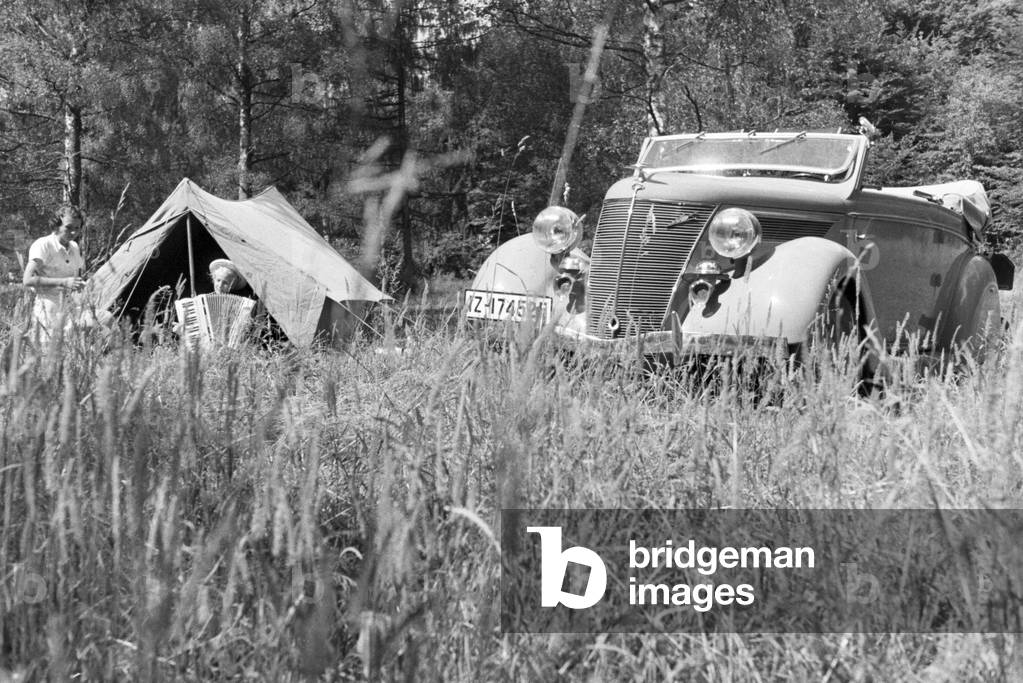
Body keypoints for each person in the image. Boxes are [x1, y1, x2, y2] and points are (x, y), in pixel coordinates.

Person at [22, 205, 87, 341]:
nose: (73, 232)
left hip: (70, 307)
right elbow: (27, 280)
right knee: (53, 347)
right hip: (47, 309)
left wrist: (79, 285)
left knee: (105, 319)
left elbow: (75, 279)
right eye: (68, 227)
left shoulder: (74, 247)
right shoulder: (43, 244)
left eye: (77, 228)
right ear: (57, 225)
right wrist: (64, 282)